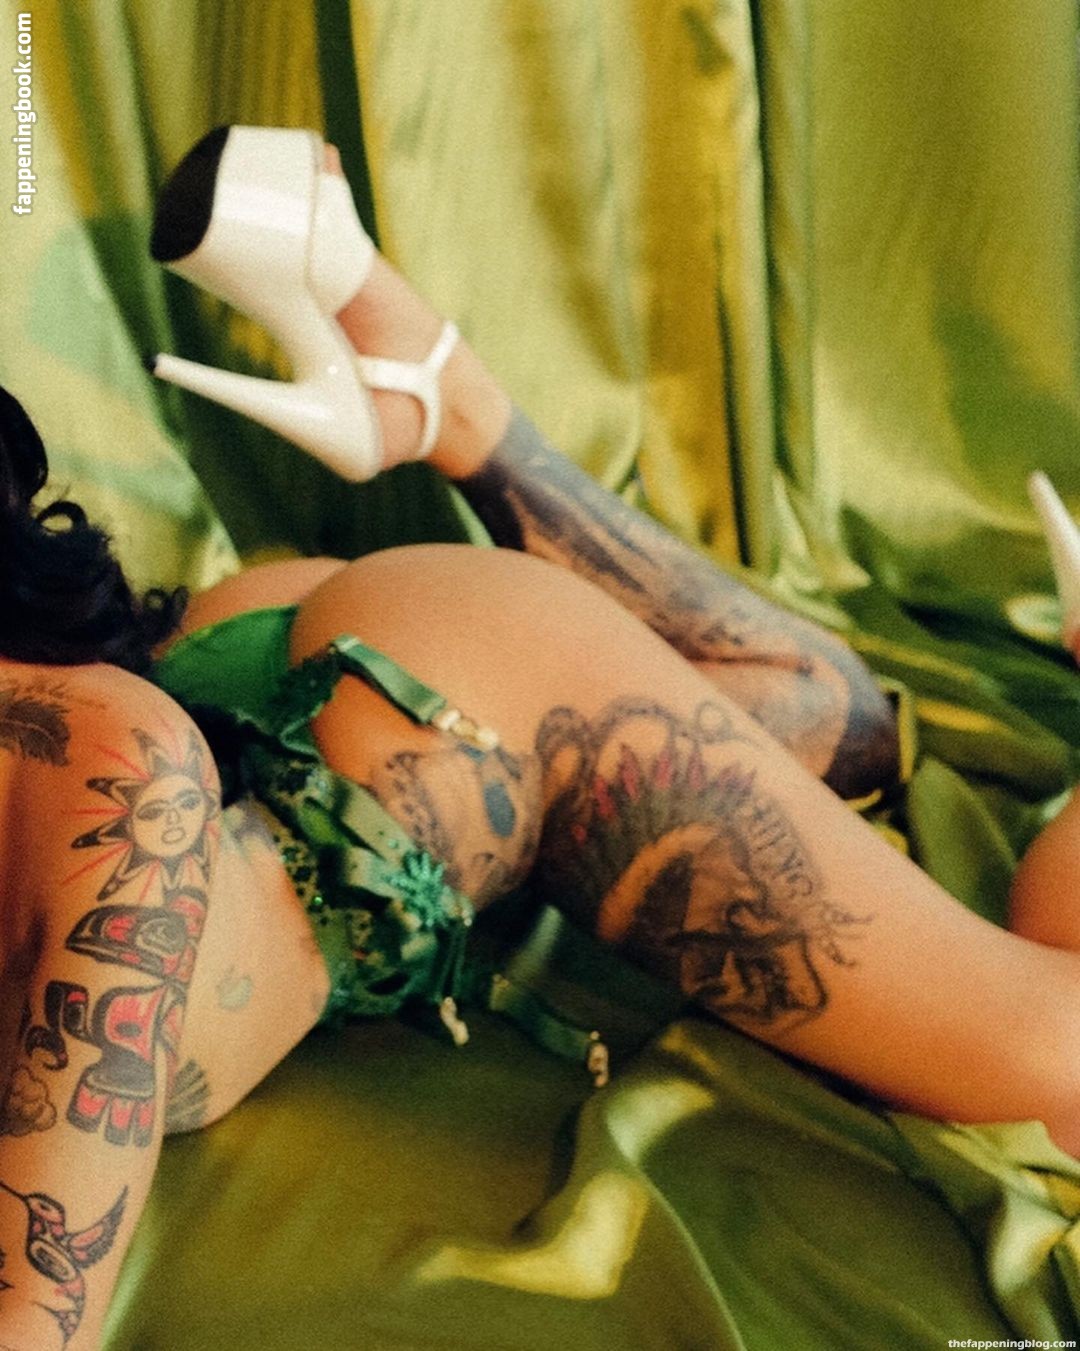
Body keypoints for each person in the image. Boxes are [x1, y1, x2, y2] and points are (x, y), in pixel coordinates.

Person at [0, 125, 1076, 1350]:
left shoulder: (98, 762)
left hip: (449, 695)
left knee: (1057, 1059)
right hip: (274, 677)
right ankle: (431, 387)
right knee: (844, 725)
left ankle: (432, 385)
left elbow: (37, 1310)